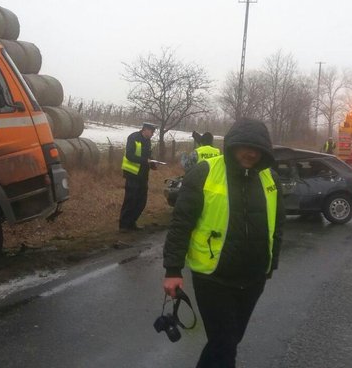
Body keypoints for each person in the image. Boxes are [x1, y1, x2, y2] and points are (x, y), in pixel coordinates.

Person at [162, 118, 285, 367]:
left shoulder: (270, 178)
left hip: (253, 278)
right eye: (245, 146)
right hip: (214, 277)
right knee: (224, 344)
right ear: (232, 145)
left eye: (257, 148)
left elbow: (278, 225)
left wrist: (271, 265)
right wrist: (172, 270)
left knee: (228, 341)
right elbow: (181, 224)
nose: (250, 153)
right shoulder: (204, 172)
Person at [119, 122, 157, 231]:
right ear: (145, 129)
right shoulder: (133, 137)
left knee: (141, 201)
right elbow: (129, 155)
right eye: (151, 131)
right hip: (132, 174)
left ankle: (132, 222)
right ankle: (124, 225)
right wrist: (145, 161)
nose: (152, 134)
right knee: (130, 200)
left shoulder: (148, 141)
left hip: (143, 174)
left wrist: (152, 163)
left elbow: (148, 155)